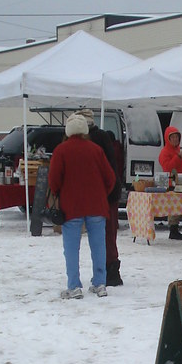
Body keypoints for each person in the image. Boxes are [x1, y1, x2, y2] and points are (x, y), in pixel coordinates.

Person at [49, 113, 116, 300]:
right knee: (98, 245)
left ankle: (74, 286)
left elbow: (54, 180)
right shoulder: (96, 150)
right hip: (97, 205)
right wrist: (101, 193)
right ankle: (100, 283)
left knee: (71, 248)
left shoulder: (61, 151)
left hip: (71, 207)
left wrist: (58, 193)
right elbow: (110, 178)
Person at [76, 108, 123, 285]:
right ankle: (109, 271)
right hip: (108, 192)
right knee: (108, 234)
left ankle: (110, 271)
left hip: (104, 193)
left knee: (106, 235)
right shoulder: (101, 136)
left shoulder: (93, 139)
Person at [158, 126, 182, 239]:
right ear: (168, 139)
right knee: (174, 209)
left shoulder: (180, 151)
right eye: (172, 137)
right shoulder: (164, 152)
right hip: (172, 184)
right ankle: (173, 231)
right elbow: (168, 168)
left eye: (177, 137)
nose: (175, 139)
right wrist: (178, 157)